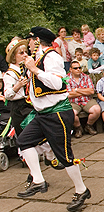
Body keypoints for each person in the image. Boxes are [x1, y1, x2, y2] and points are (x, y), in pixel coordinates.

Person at [17, 27, 92, 212]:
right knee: (24, 141)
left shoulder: (51, 57)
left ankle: (82, 190)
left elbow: (59, 83)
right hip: (42, 114)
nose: (29, 43)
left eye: (30, 40)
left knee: (64, 156)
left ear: (36, 40)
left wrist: (34, 70)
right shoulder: (38, 58)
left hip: (57, 113)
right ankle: (38, 180)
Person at [3, 38, 64, 171]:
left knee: (46, 132)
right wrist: (18, 85)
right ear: (14, 57)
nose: (25, 54)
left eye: (26, 51)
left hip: (30, 106)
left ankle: (48, 158)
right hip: (19, 109)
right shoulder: (10, 74)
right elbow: (7, 94)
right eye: (21, 53)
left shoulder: (27, 68)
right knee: (30, 141)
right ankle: (35, 173)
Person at [67, 60, 101, 138]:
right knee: (71, 113)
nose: (78, 69)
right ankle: (78, 128)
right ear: (71, 69)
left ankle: (88, 126)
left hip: (87, 100)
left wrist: (76, 90)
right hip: (73, 102)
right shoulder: (67, 78)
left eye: (79, 67)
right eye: (75, 68)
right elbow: (68, 94)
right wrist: (84, 91)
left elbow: (91, 91)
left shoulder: (86, 77)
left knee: (97, 110)